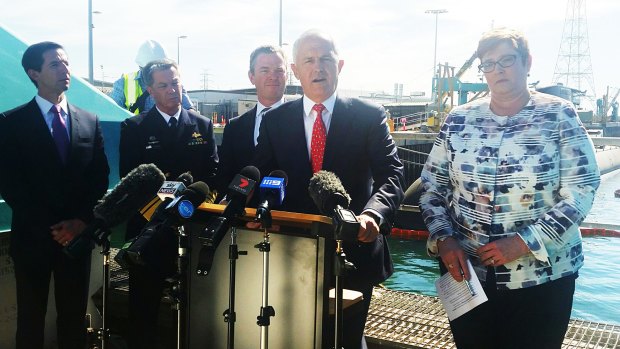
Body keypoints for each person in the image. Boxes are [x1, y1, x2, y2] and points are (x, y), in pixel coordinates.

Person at [419, 27, 601, 349]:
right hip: (467, 274)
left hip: (542, 280)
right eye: (488, 64)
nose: (497, 69)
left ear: (527, 62)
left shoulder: (559, 115)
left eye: (507, 59)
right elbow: (433, 188)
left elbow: (582, 191)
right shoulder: (458, 120)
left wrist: (525, 242)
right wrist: (443, 239)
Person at [252, 30, 404, 349]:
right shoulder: (275, 121)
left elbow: (391, 175)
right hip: (291, 251)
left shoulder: (369, 115)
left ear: (340, 65)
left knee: (347, 339)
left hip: (355, 249)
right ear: (295, 70)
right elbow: (264, 176)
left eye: (325, 59)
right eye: (308, 60)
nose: (317, 68)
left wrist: (373, 214)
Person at [0, 41, 110, 349]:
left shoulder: (89, 120)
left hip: (77, 239)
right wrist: (54, 227)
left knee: (73, 320)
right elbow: (11, 184)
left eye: (66, 63)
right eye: (55, 65)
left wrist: (80, 222)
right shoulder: (10, 124)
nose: (65, 70)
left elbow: (98, 178)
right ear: (34, 73)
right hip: (33, 240)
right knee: (31, 321)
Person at [118, 58, 218, 349]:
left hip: (192, 225)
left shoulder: (201, 125)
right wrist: (163, 203)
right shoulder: (134, 127)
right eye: (163, 85)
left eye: (175, 82)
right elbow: (131, 177)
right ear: (150, 90)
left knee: (195, 303)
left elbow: (213, 173)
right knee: (144, 305)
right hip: (150, 228)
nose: (172, 90)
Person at [216, 45, 287, 196]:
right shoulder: (234, 127)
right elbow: (224, 176)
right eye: (265, 70)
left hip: (289, 217)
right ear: (251, 77)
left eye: (279, 70)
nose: (273, 76)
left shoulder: (305, 121)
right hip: (244, 214)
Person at [111, 40, 193, 114]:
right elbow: (112, 112)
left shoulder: (173, 82)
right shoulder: (123, 83)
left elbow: (189, 111)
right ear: (141, 67)